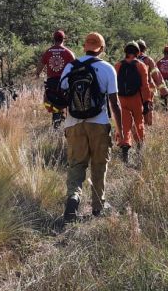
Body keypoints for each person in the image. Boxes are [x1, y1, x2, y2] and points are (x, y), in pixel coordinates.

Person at [60, 32, 123, 222]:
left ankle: (73, 198)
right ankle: (97, 206)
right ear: (101, 49)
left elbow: (63, 97)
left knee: (76, 165)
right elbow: (114, 102)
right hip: (99, 123)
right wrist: (120, 130)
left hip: (73, 123)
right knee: (98, 165)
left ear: (84, 47)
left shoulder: (70, 67)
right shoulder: (107, 68)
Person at [115, 41, 153, 162]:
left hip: (121, 99)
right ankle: (140, 147)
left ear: (125, 51)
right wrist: (147, 102)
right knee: (139, 123)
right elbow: (145, 86)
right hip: (136, 99)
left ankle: (125, 148)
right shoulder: (141, 65)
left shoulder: (117, 65)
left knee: (124, 125)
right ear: (137, 52)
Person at [37, 30, 75, 129]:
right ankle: (66, 126)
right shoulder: (69, 53)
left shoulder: (48, 52)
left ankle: (56, 126)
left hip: (51, 84)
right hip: (65, 84)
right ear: (63, 39)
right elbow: (75, 68)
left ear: (54, 39)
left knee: (54, 105)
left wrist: (37, 74)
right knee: (66, 104)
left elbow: (40, 66)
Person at [136, 39, 168, 125]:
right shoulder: (148, 60)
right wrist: (163, 89)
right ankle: (148, 127)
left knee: (137, 108)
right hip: (148, 88)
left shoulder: (130, 60)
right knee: (148, 107)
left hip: (134, 89)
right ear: (145, 49)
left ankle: (139, 127)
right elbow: (156, 75)